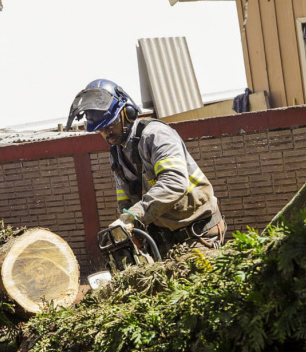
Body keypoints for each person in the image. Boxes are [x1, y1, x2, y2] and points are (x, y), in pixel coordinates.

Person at [67, 79, 226, 256]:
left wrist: (133, 216)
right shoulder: (117, 154)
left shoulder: (156, 135)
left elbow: (174, 182)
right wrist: (128, 232)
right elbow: (126, 200)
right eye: (101, 130)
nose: (107, 133)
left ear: (127, 113)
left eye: (111, 125)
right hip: (165, 238)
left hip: (199, 232)